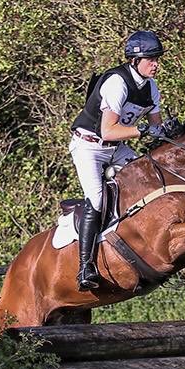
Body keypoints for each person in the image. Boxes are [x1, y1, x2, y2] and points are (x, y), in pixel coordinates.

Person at [69, 30, 169, 291]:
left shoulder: (151, 87)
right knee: (98, 198)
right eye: (151, 59)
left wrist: (171, 131)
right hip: (90, 147)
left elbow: (155, 129)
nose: (156, 63)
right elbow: (108, 130)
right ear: (135, 60)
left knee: (151, 184)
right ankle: (85, 267)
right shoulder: (117, 82)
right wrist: (143, 131)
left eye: (157, 58)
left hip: (117, 149)